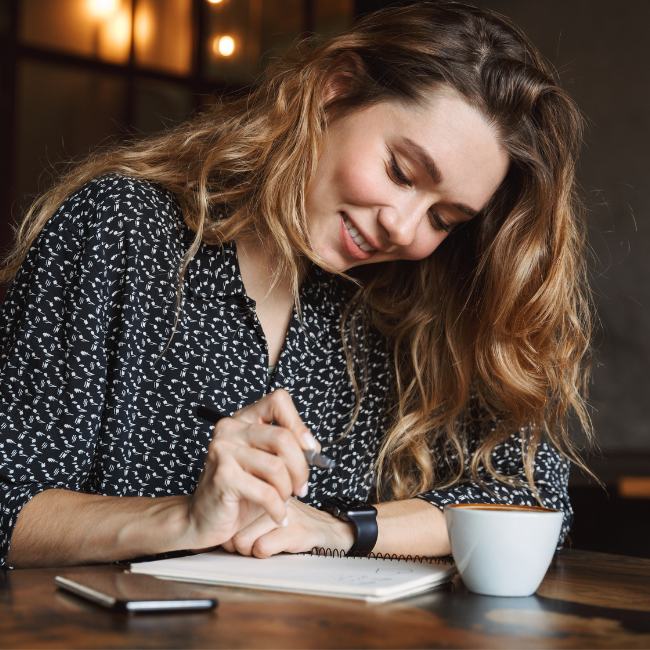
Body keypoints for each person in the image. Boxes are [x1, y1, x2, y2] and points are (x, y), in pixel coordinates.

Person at [0, 1, 595, 569]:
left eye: (444, 220)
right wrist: (183, 519)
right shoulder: (120, 228)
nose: (403, 227)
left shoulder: (406, 300)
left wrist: (340, 529)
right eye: (401, 172)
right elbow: (10, 504)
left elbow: (533, 501)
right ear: (334, 90)